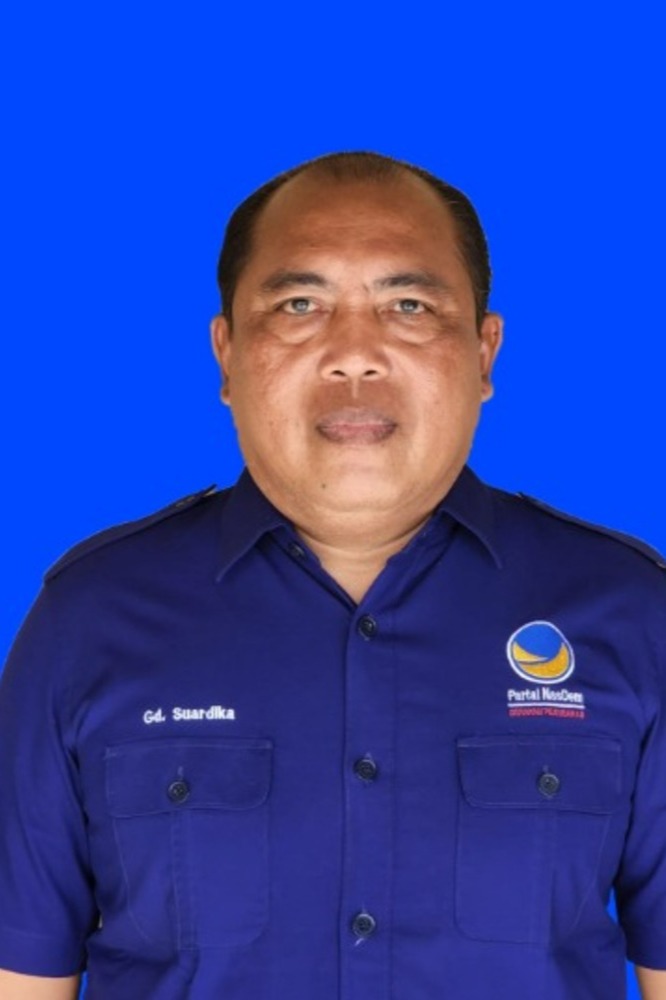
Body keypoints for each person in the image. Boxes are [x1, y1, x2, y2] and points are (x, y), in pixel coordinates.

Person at [0, 151, 665, 1000]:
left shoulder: (631, 613)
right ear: (227, 354)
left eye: (409, 306)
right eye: (300, 306)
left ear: (484, 352)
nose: (355, 355)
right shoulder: (89, 618)